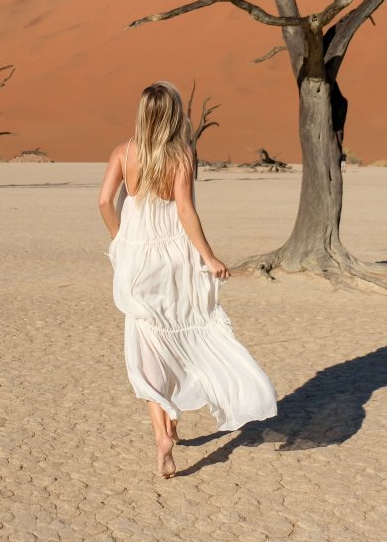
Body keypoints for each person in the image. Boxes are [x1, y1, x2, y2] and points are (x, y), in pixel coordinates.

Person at [98, 81, 277, 478]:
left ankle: (162, 432)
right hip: (175, 257)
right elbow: (184, 210)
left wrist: (121, 241)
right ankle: (179, 416)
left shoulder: (123, 153)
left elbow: (104, 201)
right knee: (185, 333)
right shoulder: (181, 155)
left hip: (138, 261)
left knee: (147, 345)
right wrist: (208, 256)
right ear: (175, 114)